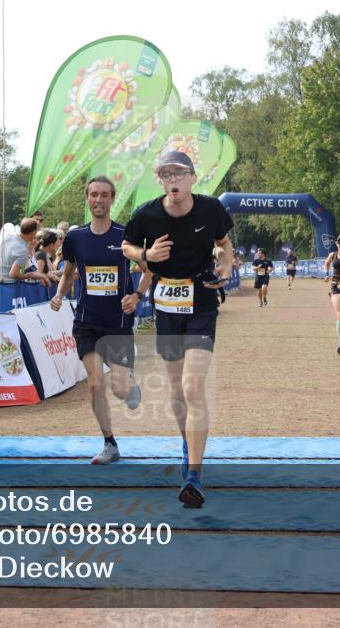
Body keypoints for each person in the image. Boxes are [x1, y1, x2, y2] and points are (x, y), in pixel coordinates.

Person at [122, 151, 234, 509]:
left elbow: (225, 244)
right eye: (166, 173)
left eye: (180, 173)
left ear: (192, 178)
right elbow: (126, 245)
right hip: (167, 308)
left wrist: (227, 268)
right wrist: (146, 257)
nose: (173, 180)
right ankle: (188, 444)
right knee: (175, 388)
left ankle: (194, 477)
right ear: (159, 179)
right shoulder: (147, 214)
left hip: (201, 302)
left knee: (191, 385)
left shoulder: (211, 209)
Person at [51, 176, 148, 464]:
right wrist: (59, 294)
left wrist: (138, 296)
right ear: (87, 198)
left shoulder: (125, 236)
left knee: (119, 387)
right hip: (86, 322)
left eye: (104, 195)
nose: (98, 200)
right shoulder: (76, 237)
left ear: (112, 198)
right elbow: (69, 274)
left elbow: (149, 269)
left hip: (117, 324)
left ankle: (130, 387)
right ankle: (109, 443)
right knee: (95, 383)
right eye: (94, 194)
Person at [0, 218, 49, 286]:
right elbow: (13, 274)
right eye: (36, 232)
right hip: (9, 285)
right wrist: (29, 275)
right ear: (33, 233)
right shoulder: (23, 250)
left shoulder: (7, 236)